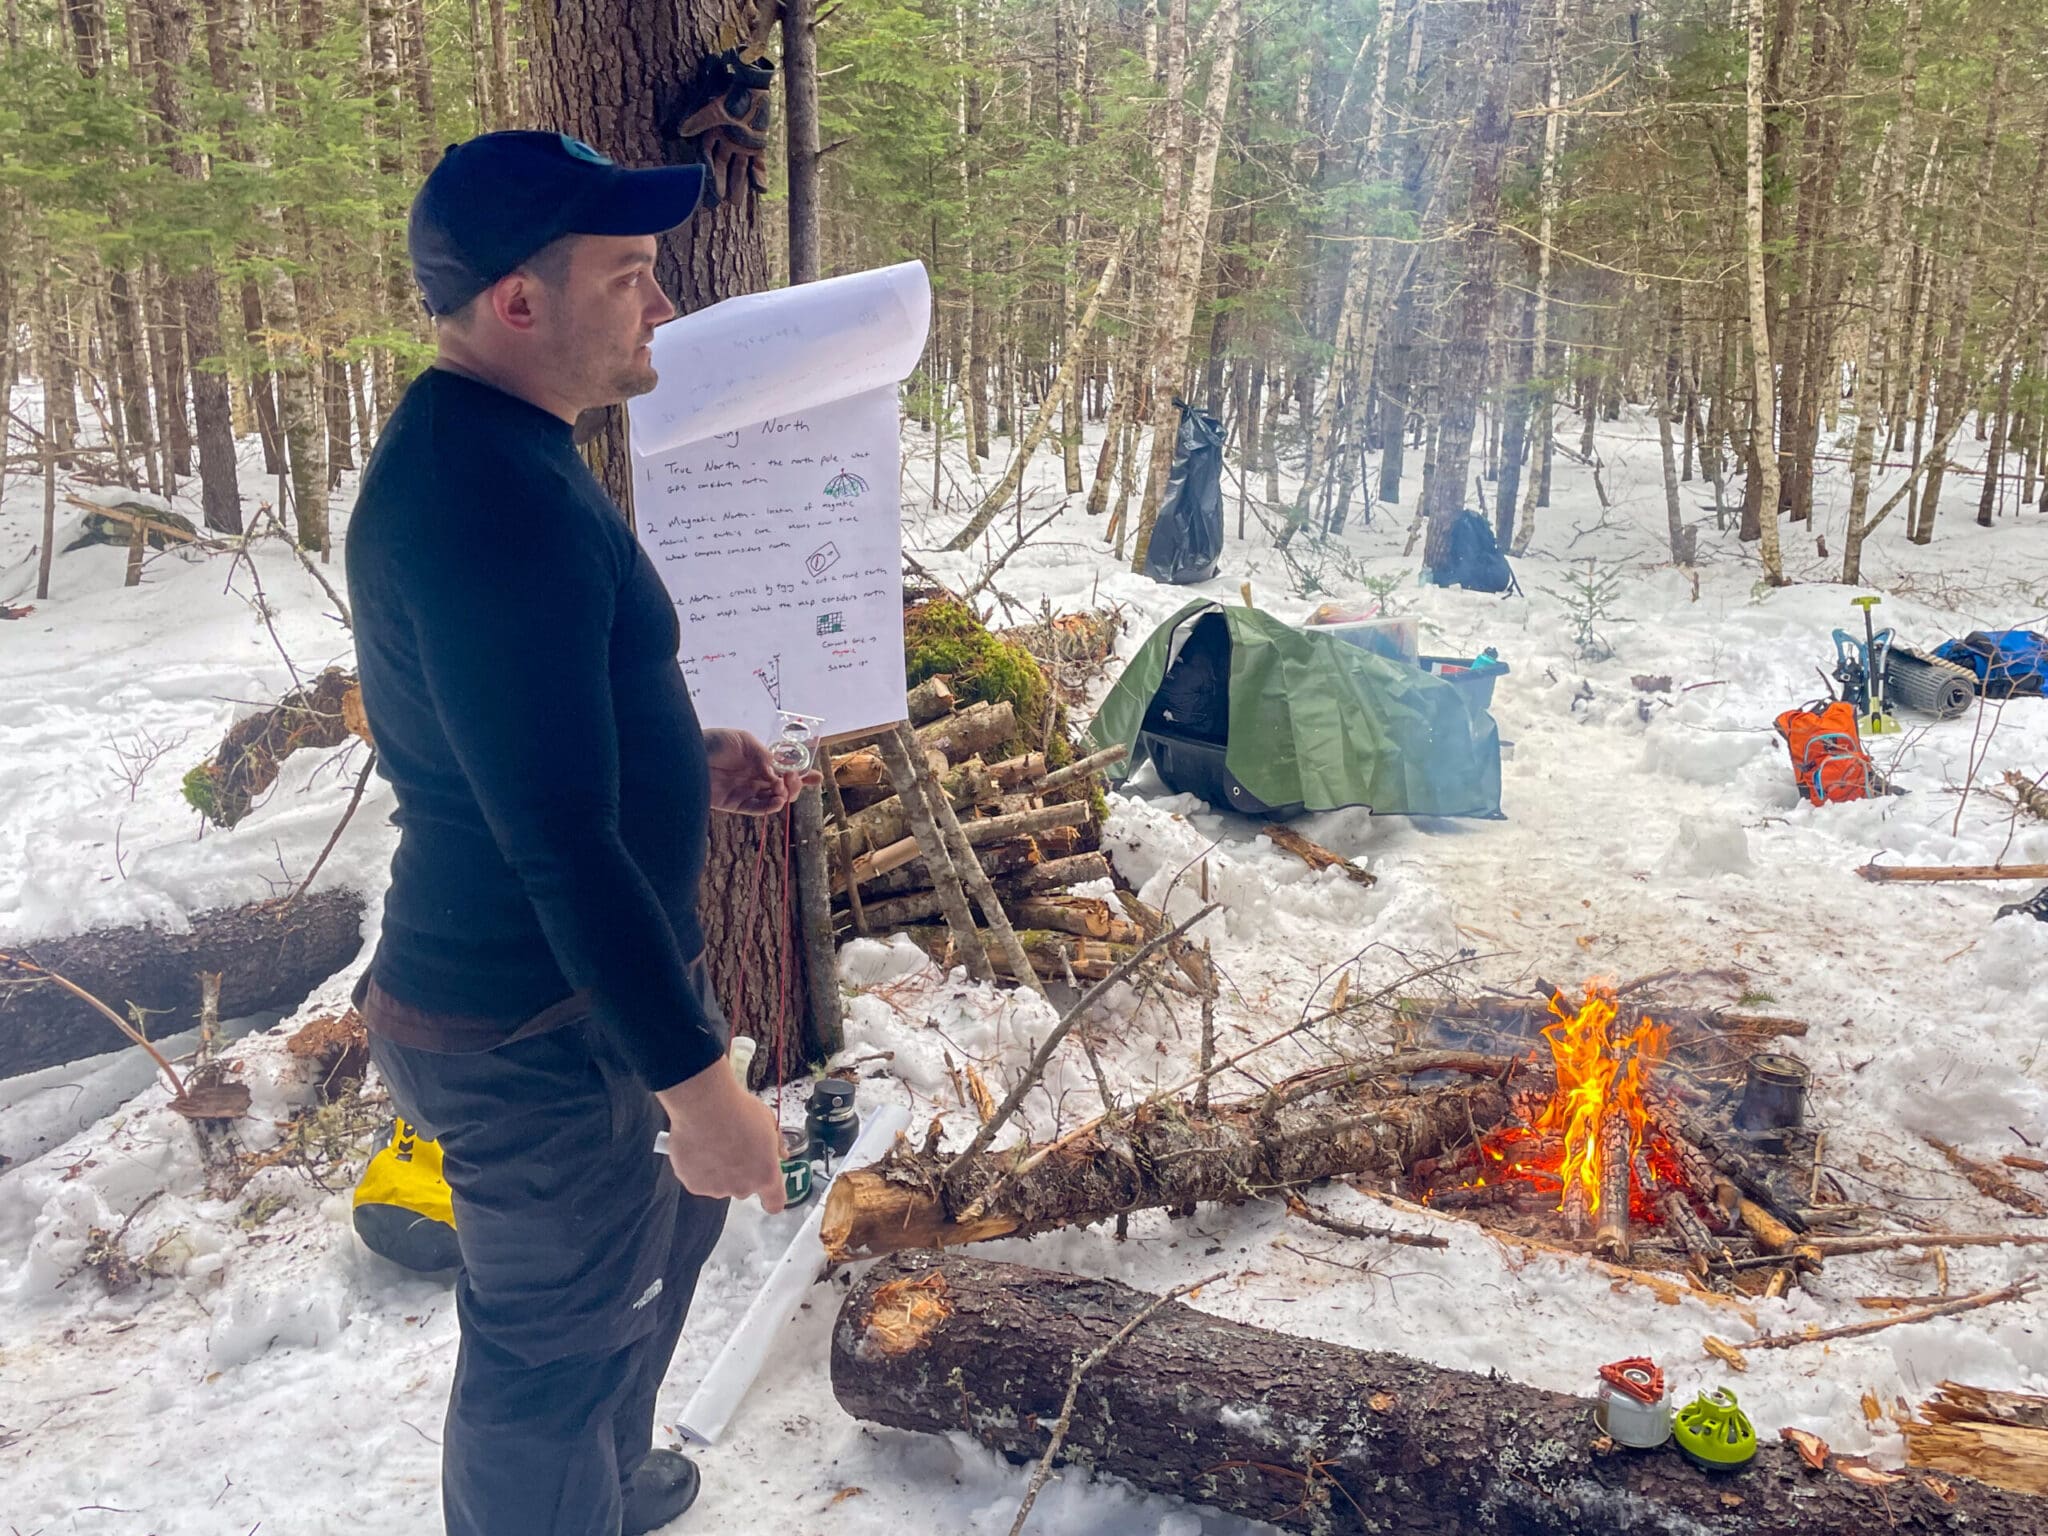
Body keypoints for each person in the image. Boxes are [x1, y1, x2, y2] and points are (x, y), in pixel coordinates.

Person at [346, 131, 811, 1536]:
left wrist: (682, 747)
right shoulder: (488, 497)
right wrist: (695, 1083)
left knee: (657, 1248)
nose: (660, 304)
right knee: (551, 1350)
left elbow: (530, 718)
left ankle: (604, 1486)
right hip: (530, 1022)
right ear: (519, 303)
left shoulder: (505, 450)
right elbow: (552, 834)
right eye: (630, 276)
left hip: (574, 994)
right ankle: (562, 1498)